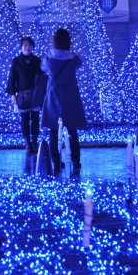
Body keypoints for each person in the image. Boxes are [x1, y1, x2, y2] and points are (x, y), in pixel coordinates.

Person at [41, 28, 86, 176]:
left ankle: (57, 162)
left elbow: (42, 68)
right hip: (70, 97)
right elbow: (80, 62)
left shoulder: (49, 58)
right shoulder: (72, 59)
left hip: (53, 98)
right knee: (72, 131)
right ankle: (76, 162)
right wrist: (72, 54)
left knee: (54, 132)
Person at [7, 36, 43, 153]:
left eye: (29, 45)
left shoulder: (38, 61)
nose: (27, 47)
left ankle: (35, 142)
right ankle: (27, 143)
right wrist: (13, 95)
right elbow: (12, 78)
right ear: (21, 47)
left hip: (36, 94)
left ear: (33, 47)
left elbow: (43, 77)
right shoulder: (16, 61)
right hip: (22, 95)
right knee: (24, 119)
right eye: (25, 45)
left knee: (36, 119)